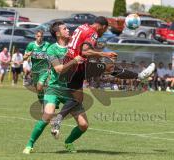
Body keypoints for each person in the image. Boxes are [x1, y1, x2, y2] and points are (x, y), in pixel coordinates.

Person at [50, 16, 155, 153]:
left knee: (78, 99)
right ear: (102, 27)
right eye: (104, 31)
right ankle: (140, 76)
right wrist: (104, 54)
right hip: (78, 66)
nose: (102, 34)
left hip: (72, 66)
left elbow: (79, 47)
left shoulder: (82, 27)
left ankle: (58, 119)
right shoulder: (92, 33)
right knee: (109, 68)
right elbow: (85, 51)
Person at [23, 21, 84, 154]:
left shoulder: (74, 47)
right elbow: (58, 69)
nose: (68, 30)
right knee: (48, 114)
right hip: (54, 87)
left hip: (70, 90)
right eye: (65, 29)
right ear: (58, 33)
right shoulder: (51, 48)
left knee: (83, 125)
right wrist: (74, 60)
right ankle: (30, 145)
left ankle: (68, 142)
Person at [23, 30, 50, 105]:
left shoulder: (47, 45)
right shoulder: (31, 45)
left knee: (40, 86)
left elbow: (52, 55)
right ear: (35, 36)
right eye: (38, 36)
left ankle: (48, 102)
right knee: (38, 90)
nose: (39, 38)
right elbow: (24, 58)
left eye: (41, 36)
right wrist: (27, 55)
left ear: (43, 37)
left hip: (44, 70)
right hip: (34, 71)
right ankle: (43, 103)